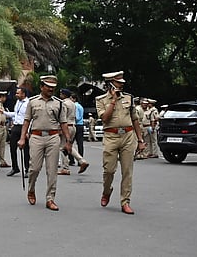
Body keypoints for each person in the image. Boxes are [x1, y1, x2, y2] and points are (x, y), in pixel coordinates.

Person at [17, 75, 71, 211]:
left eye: (53, 87)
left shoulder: (59, 103)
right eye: (48, 87)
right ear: (41, 87)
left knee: (52, 170)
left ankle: (50, 198)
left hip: (53, 137)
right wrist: (22, 138)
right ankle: (31, 189)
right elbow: (26, 121)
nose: (51, 89)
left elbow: (63, 123)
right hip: (36, 137)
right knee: (34, 168)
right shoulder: (32, 102)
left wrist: (68, 141)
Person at [96, 71, 145, 215]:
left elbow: (135, 119)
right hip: (111, 136)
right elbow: (104, 118)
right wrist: (113, 101)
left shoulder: (129, 98)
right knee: (109, 170)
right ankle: (106, 191)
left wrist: (140, 140)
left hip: (128, 136)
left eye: (122, 82)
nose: (122, 84)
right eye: (118, 82)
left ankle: (125, 202)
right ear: (110, 84)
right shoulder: (101, 100)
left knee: (127, 171)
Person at [57, 88, 88, 175]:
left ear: (64, 95)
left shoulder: (64, 104)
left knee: (63, 147)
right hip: (73, 125)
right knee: (68, 145)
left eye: (61, 94)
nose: (60, 95)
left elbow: (62, 117)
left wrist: (59, 128)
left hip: (66, 126)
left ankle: (67, 167)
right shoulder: (73, 103)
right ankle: (79, 161)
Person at [7, 84, 30, 176]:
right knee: (12, 147)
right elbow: (16, 114)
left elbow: (30, 118)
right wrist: (5, 113)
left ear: (23, 94)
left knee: (26, 149)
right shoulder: (18, 102)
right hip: (16, 126)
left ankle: (27, 168)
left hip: (24, 126)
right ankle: (15, 167)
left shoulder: (28, 103)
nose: (16, 95)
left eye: (18, 93)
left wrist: (28, 131)